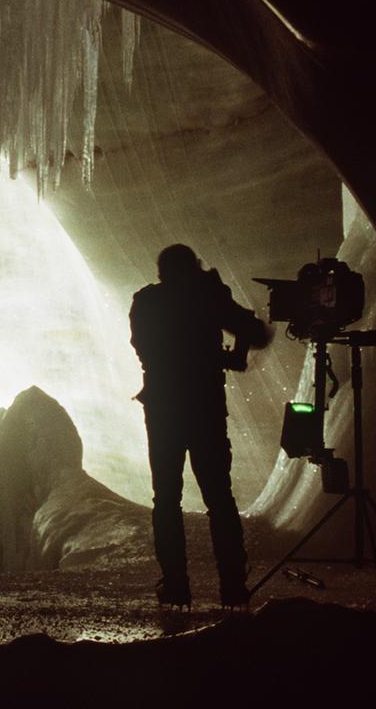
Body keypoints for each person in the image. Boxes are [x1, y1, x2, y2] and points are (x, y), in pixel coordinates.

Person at [129, 244, 271, 609]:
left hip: (163, 409)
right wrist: (233, 352)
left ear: (161, 272)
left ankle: (176, 586)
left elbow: (146, 350)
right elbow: (256, 331)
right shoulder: (207, 297)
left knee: (166, 500)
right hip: (205, 407)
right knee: (220, 500)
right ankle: (233, 587)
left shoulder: (145, 302)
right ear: (193, 268)